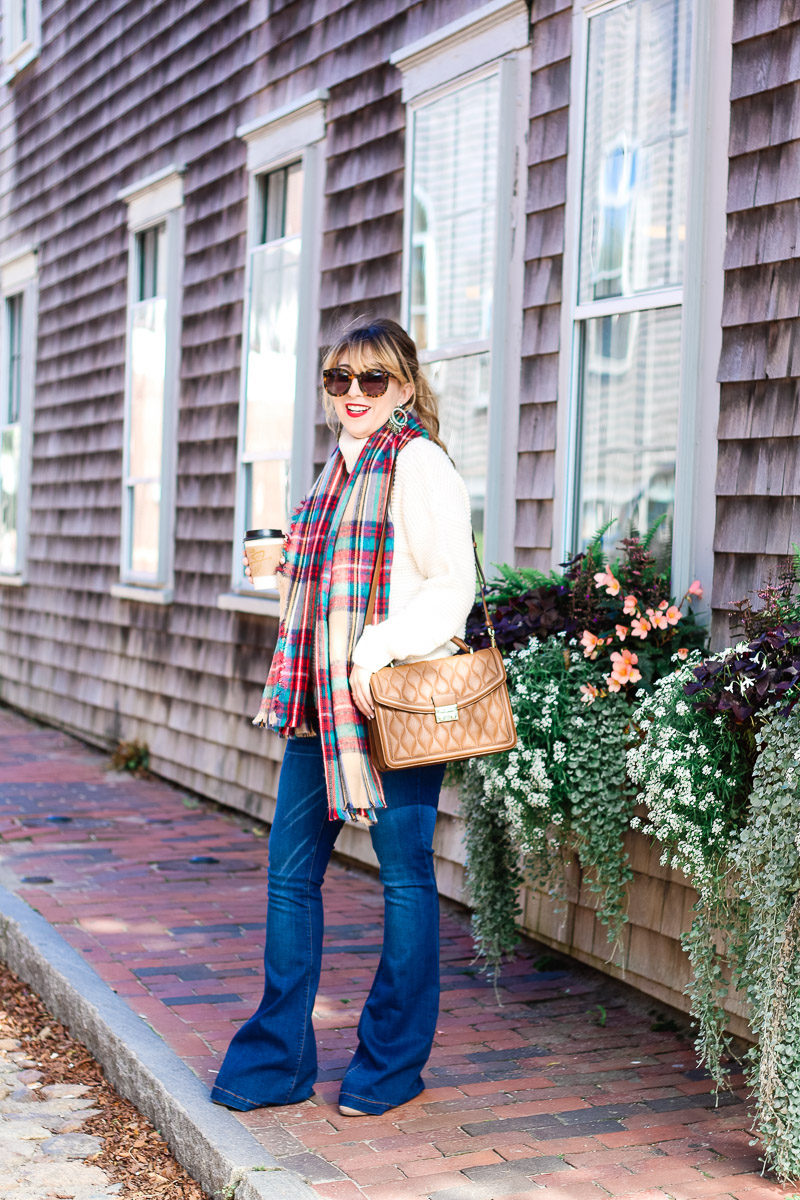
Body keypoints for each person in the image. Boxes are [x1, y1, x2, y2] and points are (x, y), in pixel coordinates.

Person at [210, 317, 476, 1118]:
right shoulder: (334, 474)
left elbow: (450, 585)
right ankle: (278, 1061)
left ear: (404, 385)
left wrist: (372, 650)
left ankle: (390, 1064)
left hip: (388, 701)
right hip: (316, 705)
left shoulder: (420, 463)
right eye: (340, 380)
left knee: (403, 882)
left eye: (373, 379)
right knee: (291, 879)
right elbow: (325, 590)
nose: (355, 394)